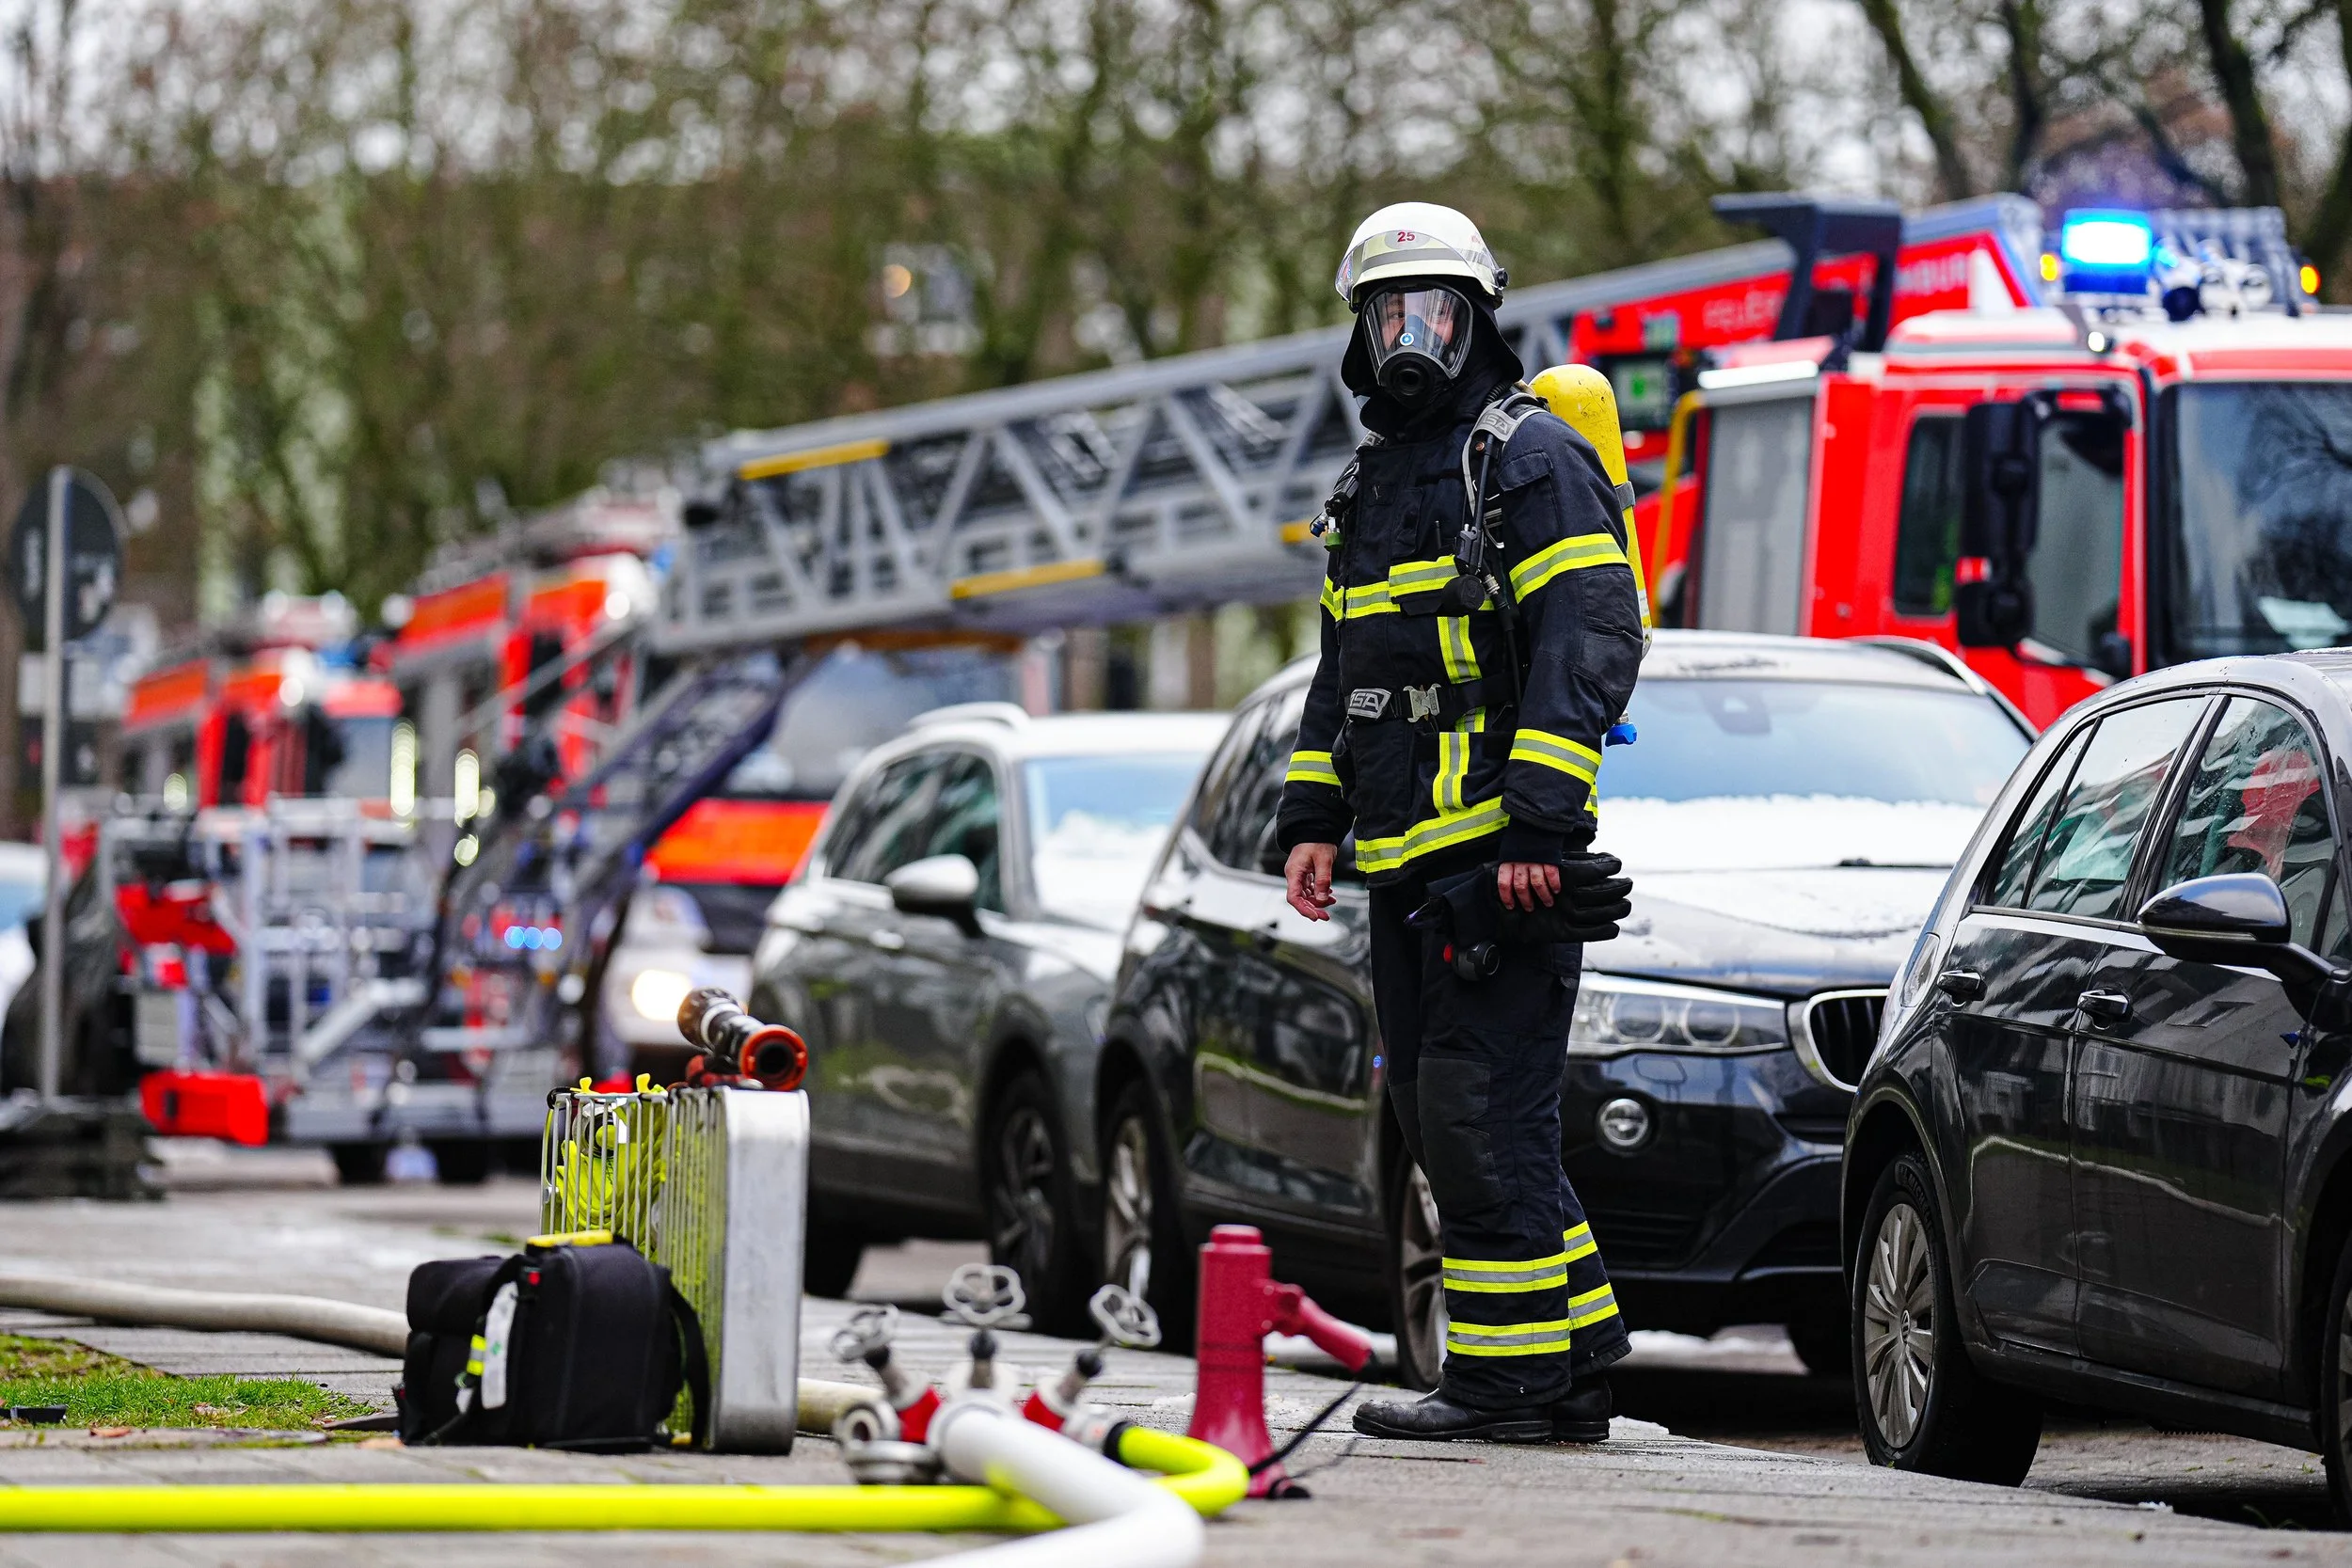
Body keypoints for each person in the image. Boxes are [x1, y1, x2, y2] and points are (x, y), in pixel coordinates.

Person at [1277, 202, 1643, 1443]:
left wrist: (1540, 831)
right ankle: (1579, 1356)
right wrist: (1311, 817)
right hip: (1402, 868)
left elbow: (1593, 638)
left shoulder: (1526, 456)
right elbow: (1345, 671)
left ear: (1475, 316)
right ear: (1360, 333)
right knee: (1468, 1122)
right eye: (1386, 314)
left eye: (1429, 310)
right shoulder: (1369, 484)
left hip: (1499, 868)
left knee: (1478, 1119)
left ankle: (1509, 1387)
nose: (1407, 334)